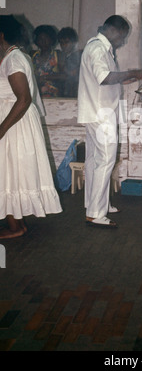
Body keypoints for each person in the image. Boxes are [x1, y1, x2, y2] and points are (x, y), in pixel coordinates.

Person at [77, 15, 142, 228]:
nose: (123, 41)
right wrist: (135, 72)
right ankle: (96, 214)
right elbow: (105, 78)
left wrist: (134, 77)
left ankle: (97, 204)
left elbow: (111, 80)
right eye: (123, 36)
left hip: (96, 111)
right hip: (101, 114)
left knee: (94, 159)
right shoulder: (98, 48)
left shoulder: (99, 47)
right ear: (114, 31)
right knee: (105, 160)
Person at [0, 15, 62, 239]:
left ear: (2, 35)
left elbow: (23, 99)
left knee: (8, 172)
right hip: (13, 121)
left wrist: (1, 129)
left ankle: (16, 227)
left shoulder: (14, 59)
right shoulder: (12, 57)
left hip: (14, 123)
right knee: (7, 173)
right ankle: (15, 224)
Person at [31, 25, 64, 97]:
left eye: (46, 38)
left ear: (52, 40)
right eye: (40, 39)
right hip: (37, 95)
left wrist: (45, 78)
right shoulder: (32, 55)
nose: (43, 41)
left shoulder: (58, 55)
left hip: (54, 96)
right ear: (36, 41)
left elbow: (64, 76)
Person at [58, 27, 82, 97]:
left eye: (66, 42)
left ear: (74, 42)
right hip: (64, 91)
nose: (64, 45)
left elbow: (72, 74)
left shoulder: (79, 55)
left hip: (75, 91)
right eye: (61, 43)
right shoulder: (61, 55)